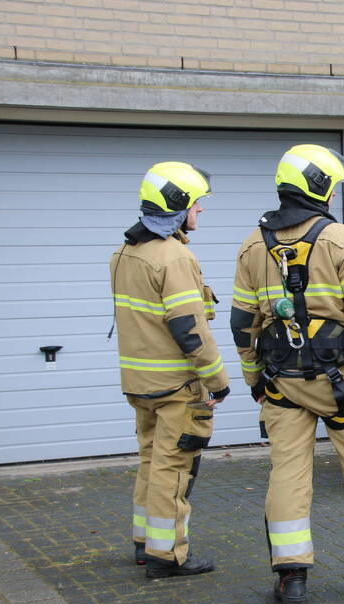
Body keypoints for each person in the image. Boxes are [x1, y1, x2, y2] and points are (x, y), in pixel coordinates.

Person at [230, 144, 344, 604]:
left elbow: (241, 325)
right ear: (321, 187)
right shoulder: (341, 240)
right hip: (343, 385)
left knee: (288, 474)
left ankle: (292, 579)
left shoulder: (252, 245)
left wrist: (253, 378)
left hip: (282, 383)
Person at [109, 161, 229, 578]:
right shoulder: (174, 256)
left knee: (150, 461)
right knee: (173, 469)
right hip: (177, 387)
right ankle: (168, 555)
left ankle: (146, 543)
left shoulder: (126, 252)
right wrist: (218, 380)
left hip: (139, 384)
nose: (201, 210)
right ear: (178, 204)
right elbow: (190, 329)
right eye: (197, 203)